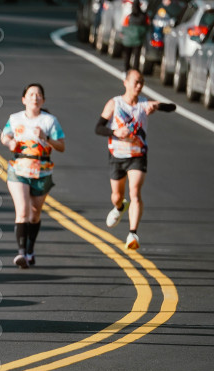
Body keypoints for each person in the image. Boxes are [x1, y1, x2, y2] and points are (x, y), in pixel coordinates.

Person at [95, 69, 166, 250]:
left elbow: (171, 108)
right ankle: (119, 207)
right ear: (125, 83)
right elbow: (98, 128)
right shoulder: (114, 103)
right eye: (136, 82)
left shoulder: (144, 104)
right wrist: (115, 132)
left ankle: (132, 233)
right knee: (117, 196)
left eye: (142, 82)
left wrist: (157, 106)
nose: (139, 86)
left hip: (137, 155)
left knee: (135, 192)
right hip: (117, 155)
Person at [1, 83, 65, 268]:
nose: (34, 98)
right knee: (22, 211)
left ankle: (30, 249)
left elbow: (61, 146)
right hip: (18, 169)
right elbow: (4, 136)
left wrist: (46, 138)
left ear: (43, 100)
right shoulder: (15, 119)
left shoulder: (49, 121)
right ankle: (21, 253)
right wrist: (10, 143)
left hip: (42, 171)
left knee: (35, 214)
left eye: (38, 95)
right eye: (31, 95)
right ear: (24, 99)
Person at [122, 0, 150, 71]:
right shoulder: (144, 16)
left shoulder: (129, 16)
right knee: (137, 56)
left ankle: (126, 70)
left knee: (127, 55)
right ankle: (135, 69)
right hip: (138, 40)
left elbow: (124, 27)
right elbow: (147, 27)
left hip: (128, 40)